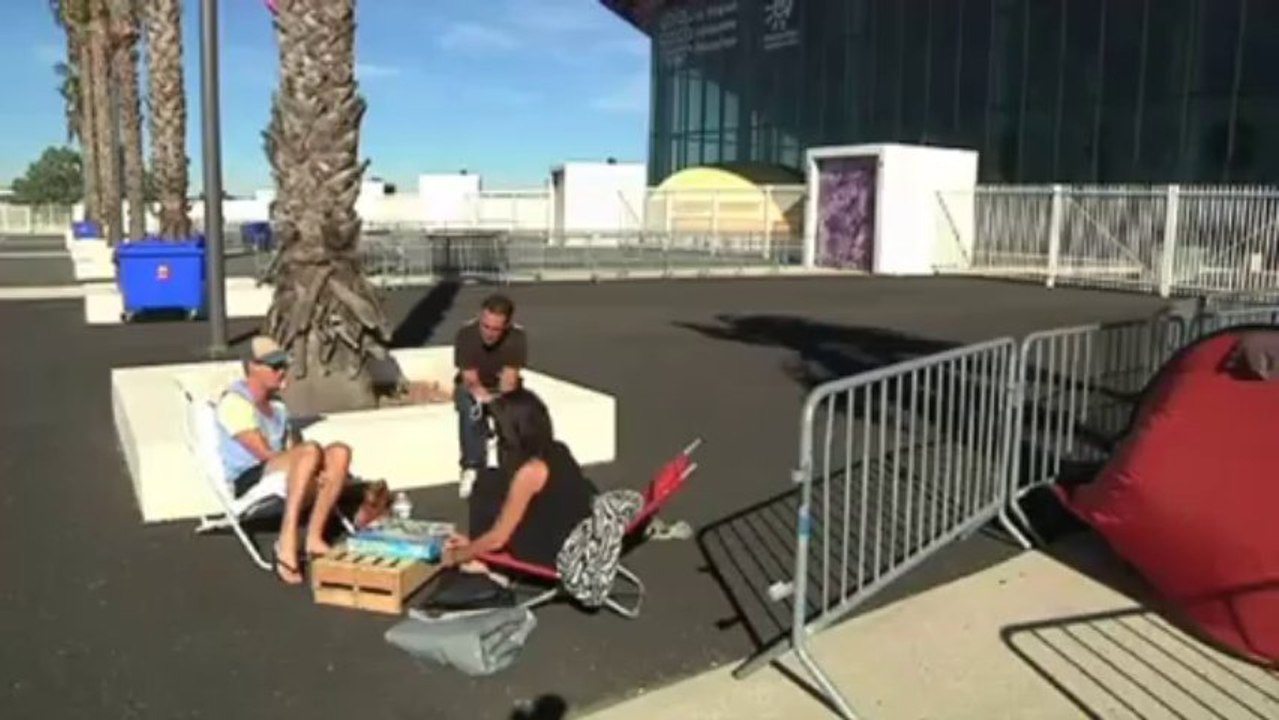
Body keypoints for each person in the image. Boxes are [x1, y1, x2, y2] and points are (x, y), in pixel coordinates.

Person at [215, 336, 353, 585]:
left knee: (339, 452)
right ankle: (286, 541)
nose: (282, 371)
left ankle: (313, 537)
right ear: (253, 367)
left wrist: (315, 467)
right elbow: (263, 453)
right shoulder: (235, 402)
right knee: (310, 451)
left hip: (282, 470)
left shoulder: (278, 405)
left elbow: (293, 449)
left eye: (283, 365)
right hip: (251, 476)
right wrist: (307, 460)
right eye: (275, 366)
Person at [442, 388, 595, 569]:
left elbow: (497, 539)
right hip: (573, 535)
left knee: (487, 487)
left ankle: (483, 564)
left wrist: (457, 556)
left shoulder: (530, 473)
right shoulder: (558, 450)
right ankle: (477, 546)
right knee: (493, 481)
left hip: (554, 553)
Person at [453, 293, 527, 498]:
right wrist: (483, 398)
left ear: (507, 325)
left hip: (501, 386)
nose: (489, 333)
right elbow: (469, 377)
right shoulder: (466, 334)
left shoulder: (517, 338)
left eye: (496, 329)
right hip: (473, 385)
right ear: (480, 317)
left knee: (519, 410)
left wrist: (500, 404)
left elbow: (510, 378)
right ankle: (472, 467)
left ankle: (514, 466)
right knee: (469, 409)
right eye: (485, 326)